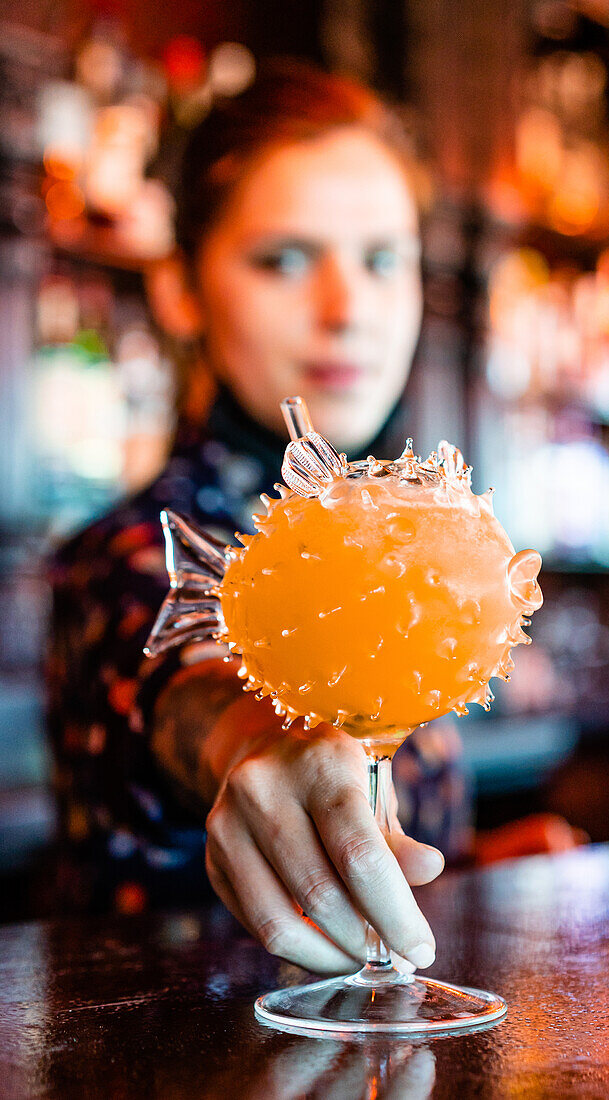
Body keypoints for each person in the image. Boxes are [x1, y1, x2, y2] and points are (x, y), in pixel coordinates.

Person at [48, 61, 576, 976]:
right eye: (284, 259)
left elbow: (362, 848)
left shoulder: (395, 555)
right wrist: (256, 741)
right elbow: (191, 687)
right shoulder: (129, 557)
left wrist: (476, 871)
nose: (348, 310)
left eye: (382, 259)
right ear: (179, 288)